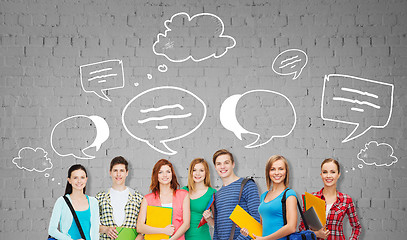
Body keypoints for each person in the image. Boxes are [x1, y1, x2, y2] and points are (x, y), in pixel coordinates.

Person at [299, 158, 361, 240]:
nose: (328, 176)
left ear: (338, 175)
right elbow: (302, 228)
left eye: (333, 172)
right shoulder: (311, 198)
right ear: (321, 175)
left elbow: (357, 227)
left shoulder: (346, 200)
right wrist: (317, 234)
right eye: (325, 172)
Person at [241, 155, 297, 240]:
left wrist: (266, 239)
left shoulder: (289, 194)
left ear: (286, 172)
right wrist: (247, 230)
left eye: (281, 169)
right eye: (272, 169)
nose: (277, 172)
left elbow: (291, 227)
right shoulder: (264, 196)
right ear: (268, 172)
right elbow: (262, 227)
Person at [212, 149, 260, 240]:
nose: (222, 166)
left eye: (226, 162)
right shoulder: (217, 194)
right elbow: (217, 228)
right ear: (215, 167)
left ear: (233, 164)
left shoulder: (247, 185)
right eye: (219, 164)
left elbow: (256, 218)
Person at [137, 159, 190, 240]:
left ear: (172, 174)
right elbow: (140, 227)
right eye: (160, 172)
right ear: (156, 176)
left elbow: (186, 224)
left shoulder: (183, 195)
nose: (165, 175)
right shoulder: (147, 199)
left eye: (168, 172)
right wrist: (163, 230)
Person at [95, 156, 144, 240]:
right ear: (110, 172)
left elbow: (143, 228)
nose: (118, 174)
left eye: (121, 170)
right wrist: (105, 229)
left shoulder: (138, 198)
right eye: (115, 170)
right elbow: (92, 224)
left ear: (127, 173)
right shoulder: (99, 198)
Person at [48, 164, 100, 240]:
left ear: (86, 179)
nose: (79, 181)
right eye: (75, 178)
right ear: (69, 180)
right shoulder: (61, 202)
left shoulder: (93, 202)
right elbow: (52, 230)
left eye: (82, 177)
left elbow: (95, 231)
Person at [181, 158, 216, 240]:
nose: (197, 173)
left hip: (201, 237)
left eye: (201, 170)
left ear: (206, 173)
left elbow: (216, 225)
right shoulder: (183, 191)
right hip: (182, 236)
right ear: (191, 172)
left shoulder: (212, 193)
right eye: (194, 170)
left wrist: (208, 218)